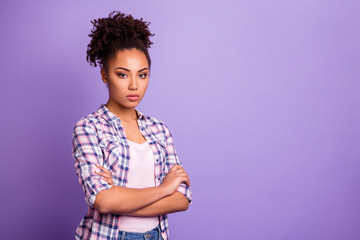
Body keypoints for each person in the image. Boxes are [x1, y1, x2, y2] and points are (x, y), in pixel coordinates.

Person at [71, 10, 192, 240]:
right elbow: (103, 201)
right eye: (123, 75)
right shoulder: (89, 128)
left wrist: (120, 196)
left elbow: (183, 198)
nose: (134, 85)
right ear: (105, 75)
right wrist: (163, 190)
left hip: (156, 235)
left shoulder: (159, 130)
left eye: (143, 75)